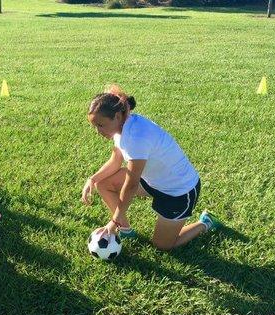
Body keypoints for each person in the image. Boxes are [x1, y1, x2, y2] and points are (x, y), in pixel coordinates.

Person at [82, 84, 221, 251]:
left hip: (178, 191)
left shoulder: (136, 137)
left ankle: (205, 223)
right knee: (103, 183)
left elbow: (131, 185)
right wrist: (93, 178)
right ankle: (125, 230)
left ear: (117, 116)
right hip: (153, 181)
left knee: (162, 246)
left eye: (101, 125)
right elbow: (115, 161)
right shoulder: (122, 127)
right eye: (95, 126)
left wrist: (114, 221)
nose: (98, 131)